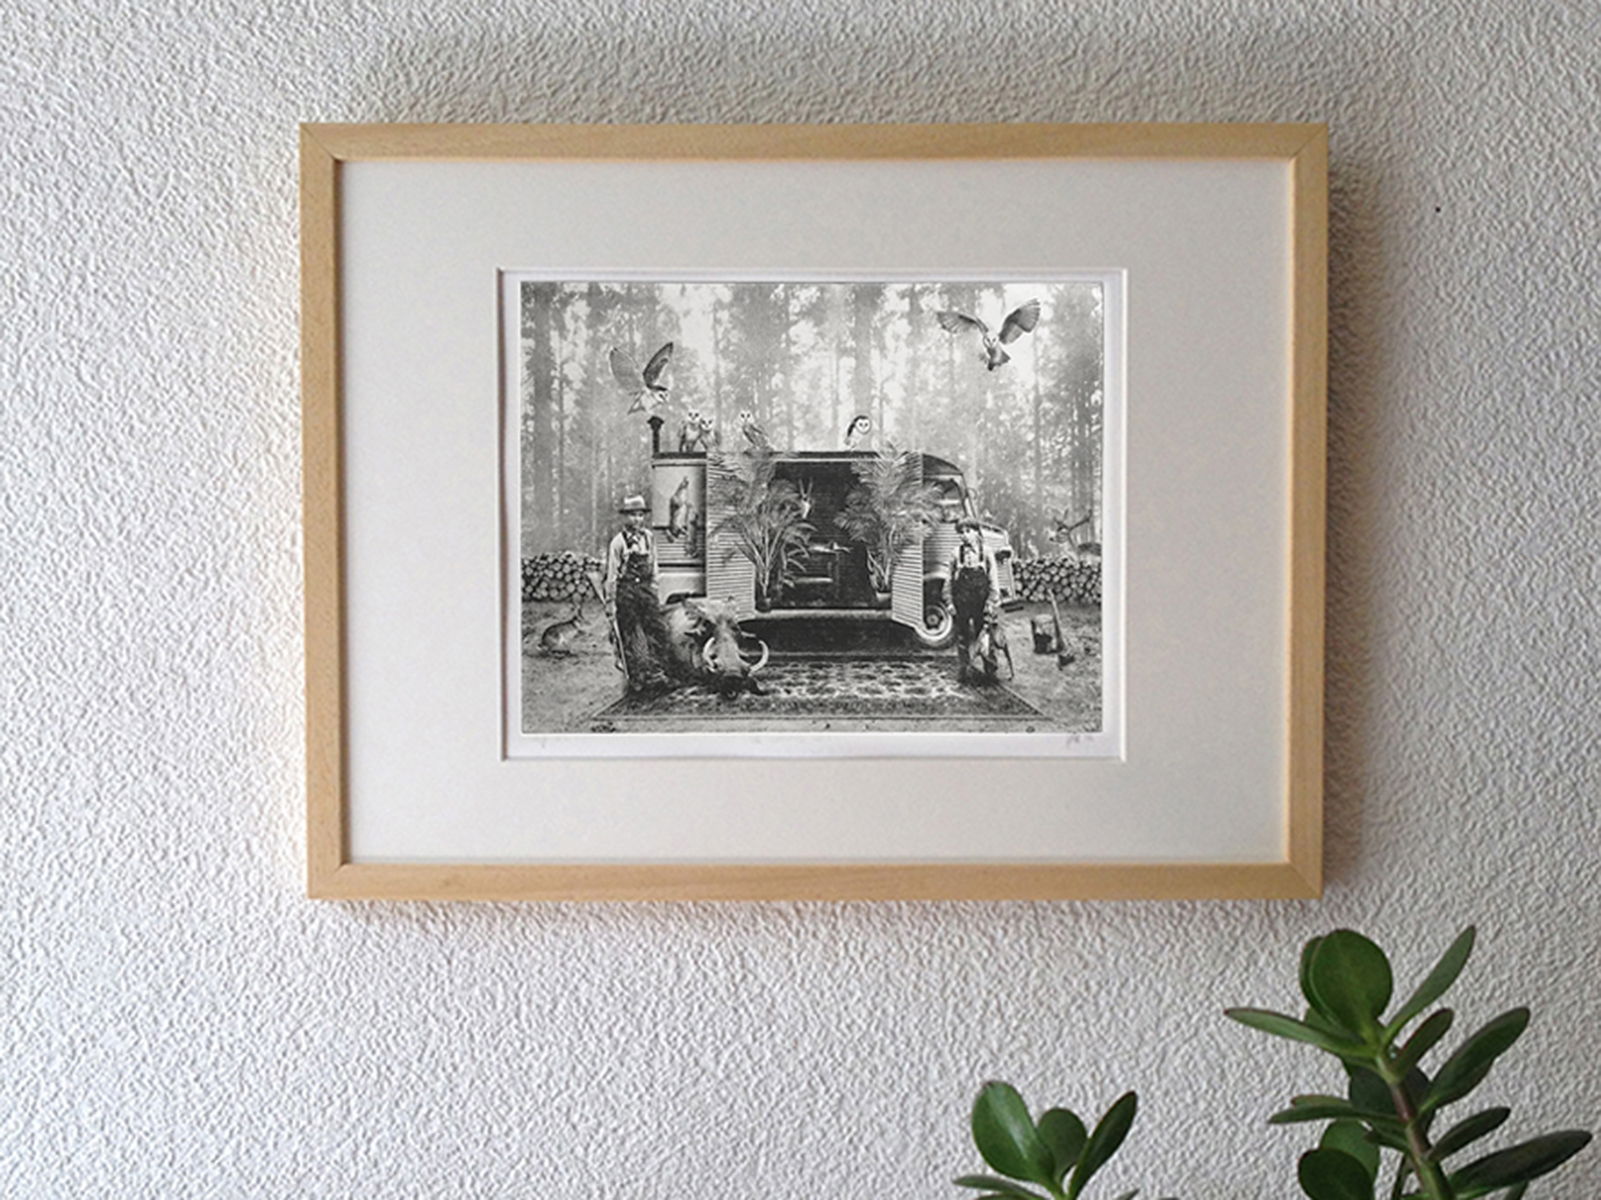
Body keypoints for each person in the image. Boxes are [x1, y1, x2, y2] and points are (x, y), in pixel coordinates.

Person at [602, 494, 675, 695]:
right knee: (632, 634)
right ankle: (638, 678)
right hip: (626, 592)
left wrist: (654, 588)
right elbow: (612, 575)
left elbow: (654, 565)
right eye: (632, 515)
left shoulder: (649, 538)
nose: (637, 519)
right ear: (625, 517)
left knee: (658, 630)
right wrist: (610, 602)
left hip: (645, 590)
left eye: (640, 515)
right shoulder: (618, 542)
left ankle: (659, 673)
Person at [944, 517, 1000, 683]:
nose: (964, 535)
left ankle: (990, 670)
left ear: (977, 532)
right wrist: (949, 602)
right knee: (962, 636)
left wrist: (991, 602)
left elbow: (993, 580)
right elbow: (948, 580)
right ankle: (963, 670)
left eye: (968, 531)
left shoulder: (986, 552)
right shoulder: (956, 553)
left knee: (984, 635)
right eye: (961, 532)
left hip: (981, 601)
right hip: (962, 600)